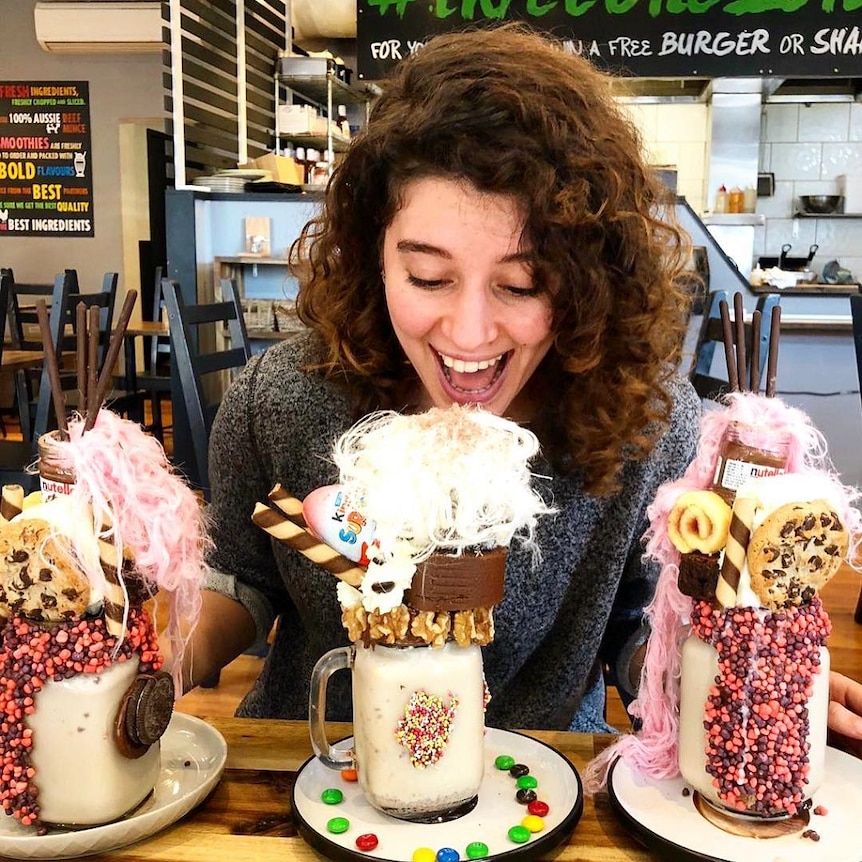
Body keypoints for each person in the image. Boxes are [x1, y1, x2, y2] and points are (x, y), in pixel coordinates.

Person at [184, 24, 862, 740]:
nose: (470, 333)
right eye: (428, 277)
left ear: (582, 283)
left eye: (522, 283)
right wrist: (153, 654)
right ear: (372, 258)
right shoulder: (284, 399)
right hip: (311, 771)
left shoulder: (647, 426)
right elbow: (242, 579)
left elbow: (635, 626)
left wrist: (732, 679)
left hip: (547, 781)